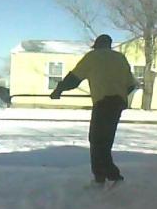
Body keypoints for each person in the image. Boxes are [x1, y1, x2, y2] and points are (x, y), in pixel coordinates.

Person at [50, 34, 138, 187]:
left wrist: (59, 90)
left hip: (103, 102)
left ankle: (107, 178)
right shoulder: (120, 58)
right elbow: (131, 84)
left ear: (97, 45)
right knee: (105, 141)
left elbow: (74, 78)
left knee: (97, 141)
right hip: (117, 103)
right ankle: (104, 177)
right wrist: (119, 94)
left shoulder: (93, 57)